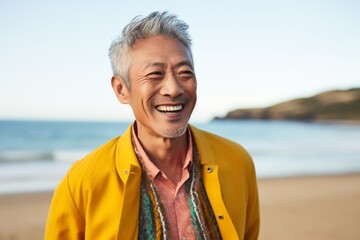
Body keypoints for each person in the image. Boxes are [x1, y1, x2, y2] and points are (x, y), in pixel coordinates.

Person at [45, 11, 260, 240]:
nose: (173, 88)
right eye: (155, 74)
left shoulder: (237, 162)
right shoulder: (83, 182)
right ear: (121, 89)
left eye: (184, 73)